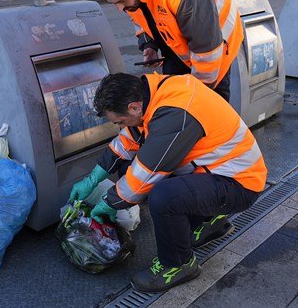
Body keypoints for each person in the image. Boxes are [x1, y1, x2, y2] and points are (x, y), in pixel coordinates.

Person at [68, 72, 267, 292]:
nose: (120, 126)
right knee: (129, 170)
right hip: (215, 170)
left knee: (163, 197)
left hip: (240, 183)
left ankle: (179, 264)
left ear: (134, 107)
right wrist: (93, 178)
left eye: (120, 121)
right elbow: (127, 141)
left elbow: (143, 178)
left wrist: (108, 202)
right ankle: (210, 222)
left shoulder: (175, 114)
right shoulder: (155, 95)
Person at [95, 0, 244, 102]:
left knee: (212, 103)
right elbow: (141, 15)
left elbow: (207, 50)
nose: (120, 8)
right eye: (113, 3)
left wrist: (199, 95)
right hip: (180, 39)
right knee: (176, 97)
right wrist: (149, 45)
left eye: (122, 1)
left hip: (216, 39)